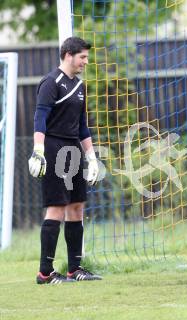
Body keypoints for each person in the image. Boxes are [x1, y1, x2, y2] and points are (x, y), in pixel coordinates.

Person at [28, 37, 102, 284]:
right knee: (57, 207)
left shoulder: (80, 86)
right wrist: (38, 150)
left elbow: (82, 126)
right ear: (68, 55)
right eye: (82, 57)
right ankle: (45, 273)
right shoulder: (51, 82)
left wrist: (91, 158)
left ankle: (74, 269)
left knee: (77, 206)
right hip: (53, 147)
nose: (85, 61)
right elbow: (40, 118)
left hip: (73, 149)